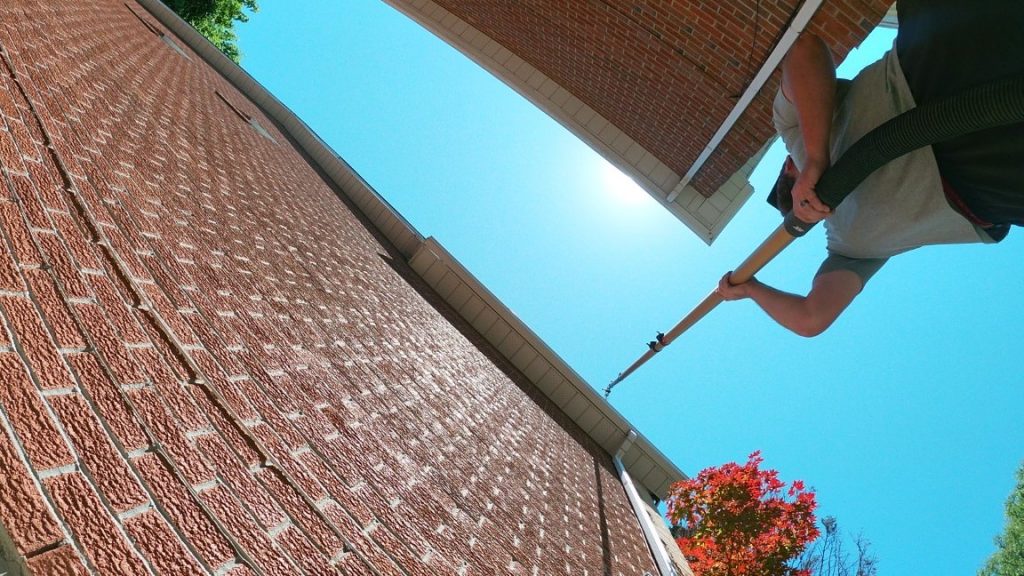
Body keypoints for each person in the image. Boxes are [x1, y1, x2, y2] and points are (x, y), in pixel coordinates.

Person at [716, 0, 1024, 337]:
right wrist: (750, 289)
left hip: (936, 69)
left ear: (789, 167)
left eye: (791, 185)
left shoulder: (794, 131)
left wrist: (816, 158)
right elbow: (810, 318)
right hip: (990, 186)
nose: (801, 199)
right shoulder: (847, 251)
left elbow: (804, 50)